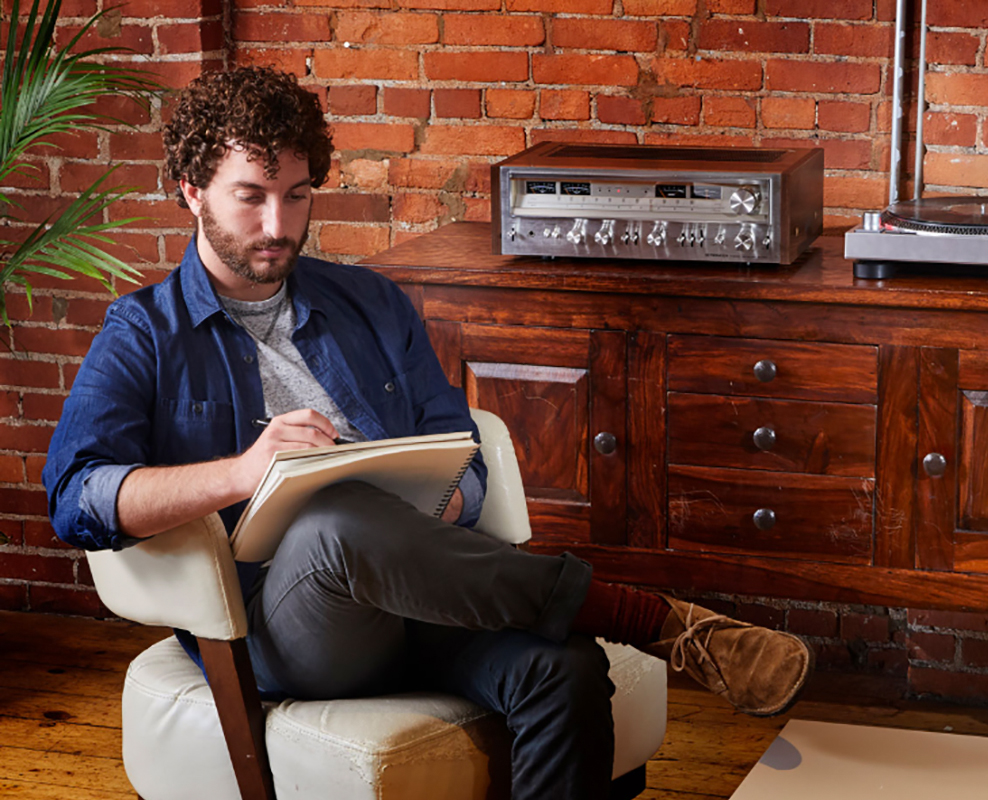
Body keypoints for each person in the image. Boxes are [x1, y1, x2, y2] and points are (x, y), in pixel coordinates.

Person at [43, 66, 812, 799]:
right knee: (336, 521)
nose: (277, 226)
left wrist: (451, 499)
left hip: (419, 590)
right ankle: (649, 619)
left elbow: (457, 443)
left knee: (566, 670)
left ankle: (616, 624)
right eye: (250, 198)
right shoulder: (142, 333)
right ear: (191, 191)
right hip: (285, 629)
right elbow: (79, 496)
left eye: (297, 196)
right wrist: (246, 473)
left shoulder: (371, 303)